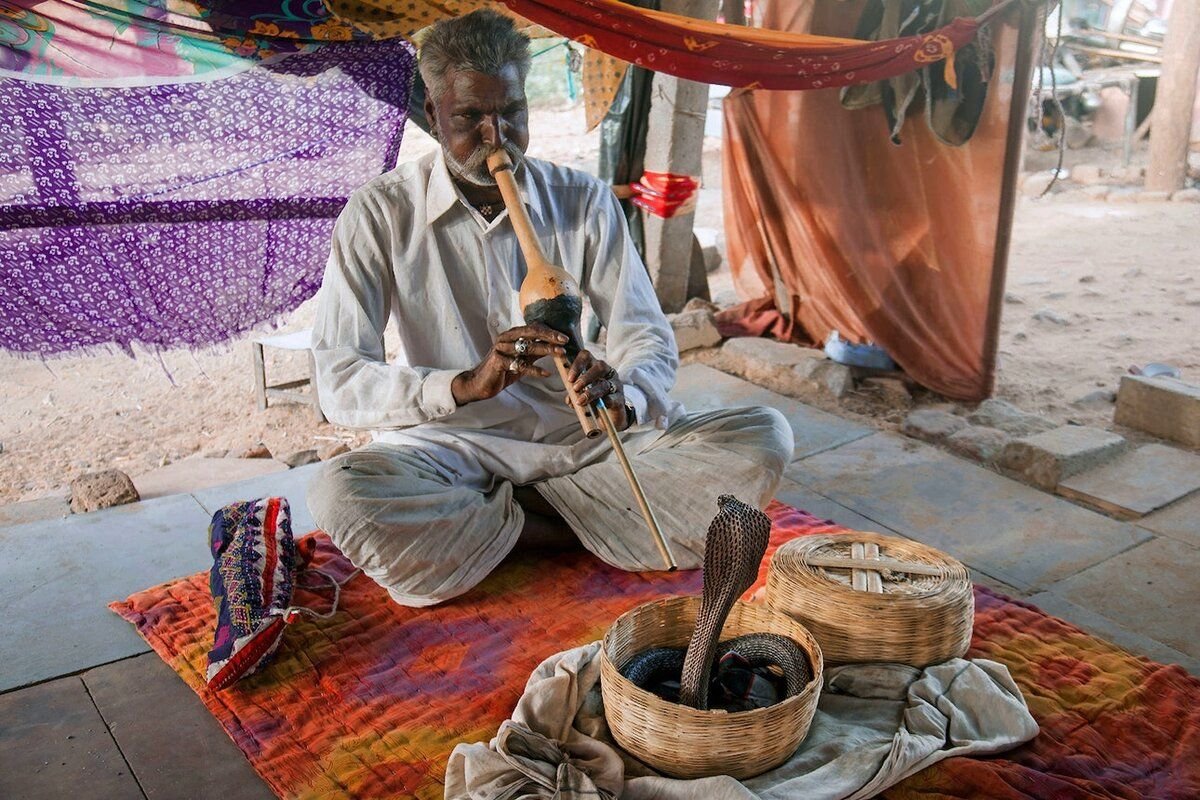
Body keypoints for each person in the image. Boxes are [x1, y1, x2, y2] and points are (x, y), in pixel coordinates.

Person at [307, 9, 793, 607]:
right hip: (454, 447)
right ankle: (587, 525)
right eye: (469, 118)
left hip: (578, 440)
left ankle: (503, 527)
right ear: (433, 115)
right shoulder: (379, 213)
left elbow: (645, 333)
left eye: (510, 113)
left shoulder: (582, 199)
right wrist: (464, 384)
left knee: (763, 434)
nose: (495, 137)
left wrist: (625, 393)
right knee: (342, 493)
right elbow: (339, 380)